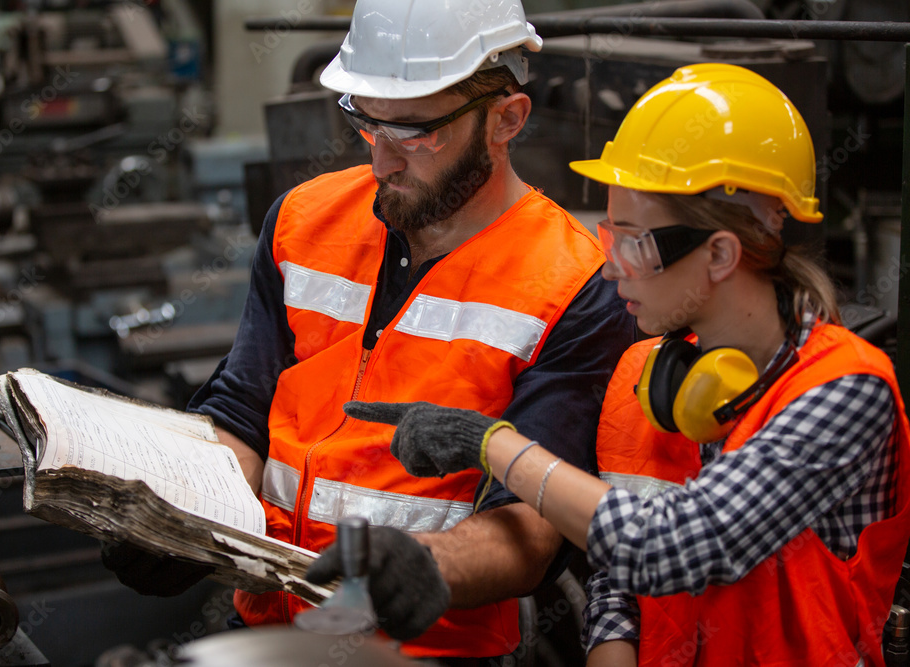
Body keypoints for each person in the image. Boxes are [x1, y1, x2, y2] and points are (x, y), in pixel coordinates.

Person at [103, 0, 634, 662]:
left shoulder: (574, 283)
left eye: (415, 133)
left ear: (506, 119)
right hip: (272, 628)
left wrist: (426, 565)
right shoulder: (303, 222)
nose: (383, 160)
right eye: (364, 119)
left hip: (431, 648)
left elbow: (530, 526)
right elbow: (243, 411)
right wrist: (185, 514)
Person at [344, 63, 910, 666]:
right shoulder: (649, 373)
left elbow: (673, 545)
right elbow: (615, 568)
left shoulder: (844, 392)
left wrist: (493, 446)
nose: (612, 267)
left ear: (720, 252)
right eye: (610, 233)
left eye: (635, 240)